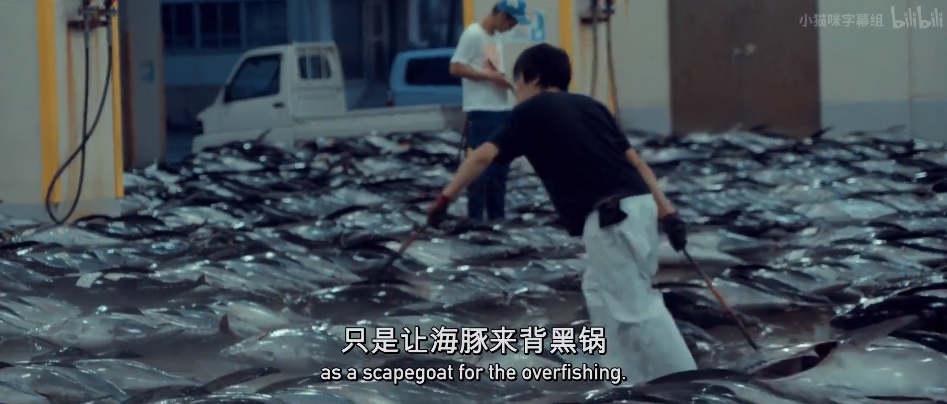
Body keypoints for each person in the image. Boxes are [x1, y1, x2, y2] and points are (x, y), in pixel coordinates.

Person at [428, 43, 697, 385]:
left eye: (516, 83)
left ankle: (689, 386)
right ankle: (625, 381)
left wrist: (444, 199)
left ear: (532, 78)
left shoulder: (531, 111)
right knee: (600, 293)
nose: (516, 92)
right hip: (637, 209)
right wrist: (668, 214)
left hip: (611, 219)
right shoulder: (592, 106)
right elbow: (637, 163)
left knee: (636, 309)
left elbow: (482, 156)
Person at [448, 0, 530, 222]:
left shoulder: (496, 37)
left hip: (500, 108)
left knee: (499, 169)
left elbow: (490, 68)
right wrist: (490, 77)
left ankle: (496, 219)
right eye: (512, 23)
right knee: (480, 169)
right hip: (483, 110)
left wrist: (504, 81)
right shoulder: (473, 34)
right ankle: (476, 220)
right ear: (502, 16)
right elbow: (456, 66)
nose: (512, 28)